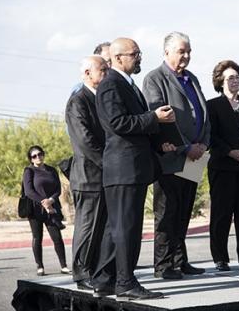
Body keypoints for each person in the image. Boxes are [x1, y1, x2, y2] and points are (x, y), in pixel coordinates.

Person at [93, 37, 175, 300]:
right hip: (124, 169)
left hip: (131, 168)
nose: (140, 58)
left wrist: (161, 143)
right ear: (118, 58)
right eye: (135, 54)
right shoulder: (111, 85)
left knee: (116, 227)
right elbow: (118, 122)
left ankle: (105, 280)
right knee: (126, 227)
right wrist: (154, 118)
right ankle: (126, 283)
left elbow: (132, 125)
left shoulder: (127, 84)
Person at [142, 31, 210, 280]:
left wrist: (203, 143)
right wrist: (185, 147)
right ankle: (163, 265)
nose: (186, 55)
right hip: (171, 157)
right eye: (182, 51)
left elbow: (203, 113)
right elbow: (161, 118)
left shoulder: (191, 78)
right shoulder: (154, 79)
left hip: (195, 157)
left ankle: (181, 261)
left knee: (184, 212)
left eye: (189, 51)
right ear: (167, 51)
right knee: (167, 213)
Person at [65, 56, 108, 290]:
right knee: (87, 227)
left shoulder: (100, 99)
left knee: (100, 228)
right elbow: (85, 141)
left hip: (103, 176)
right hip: (88, 177)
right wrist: (109, 164)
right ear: (87, 74)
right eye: (103, 69)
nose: (106, 73)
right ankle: (81, 274)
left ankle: (95, 270)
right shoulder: (78, 101)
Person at [207, 60, 239, 277]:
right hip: (223, 166)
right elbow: (211, 136)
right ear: (220, 81)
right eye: (230, 78)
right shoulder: (212, 105)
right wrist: (230, 152)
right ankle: (220, 257)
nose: (235, 81)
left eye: (237, 77)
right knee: (222, 214)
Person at [22, 145, 70, 276]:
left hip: (52, 208)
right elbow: (29, 191)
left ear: (43, 155)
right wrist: (44, 202)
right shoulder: (29, 171)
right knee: (37, 237)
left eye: (40, 154)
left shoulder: (52, 170)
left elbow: (58, 190)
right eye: (34, 156)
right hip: (35, 209)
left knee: (57, 237)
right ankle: (40, 266)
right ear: (31, 159)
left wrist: (51, 201)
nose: (38, 157)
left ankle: (64, 265)